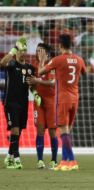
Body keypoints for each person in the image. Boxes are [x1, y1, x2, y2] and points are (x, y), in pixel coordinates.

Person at [38, 34, 86, 171]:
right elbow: (84, 73)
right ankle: (64, 161)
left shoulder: (57, 60)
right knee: (67, 130)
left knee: (63, 130)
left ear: (60, 46)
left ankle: (72, 160)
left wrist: (42, 60)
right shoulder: (79, 59)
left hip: (63, 98)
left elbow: (41, 72)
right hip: (75, 98)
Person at [0, 37, 35, 169]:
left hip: (24, 103)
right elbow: (2, 63)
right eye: (20, 50)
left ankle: (9, 156)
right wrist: (13, 49)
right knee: (14, 129)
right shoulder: (11, 64)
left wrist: (35, 93)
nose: (22, 53)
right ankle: (17, 158)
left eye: (24, 50)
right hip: (10, 102)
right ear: (16, 52)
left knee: (18, 131)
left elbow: (32, 85)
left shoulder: (30, 68)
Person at [26, 43, 58, 169]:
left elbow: (52, 83)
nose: (38, 53)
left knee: (52, 131)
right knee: (39, 129)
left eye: (41, 51)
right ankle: (40, 160)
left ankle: (54, 160)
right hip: (39, 102)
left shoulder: (52, 64)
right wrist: (35, 93)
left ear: (47, 53)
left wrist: (38, 81)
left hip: (51, 101)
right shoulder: (33, 66)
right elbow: (31, 84)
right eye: (37, 51)